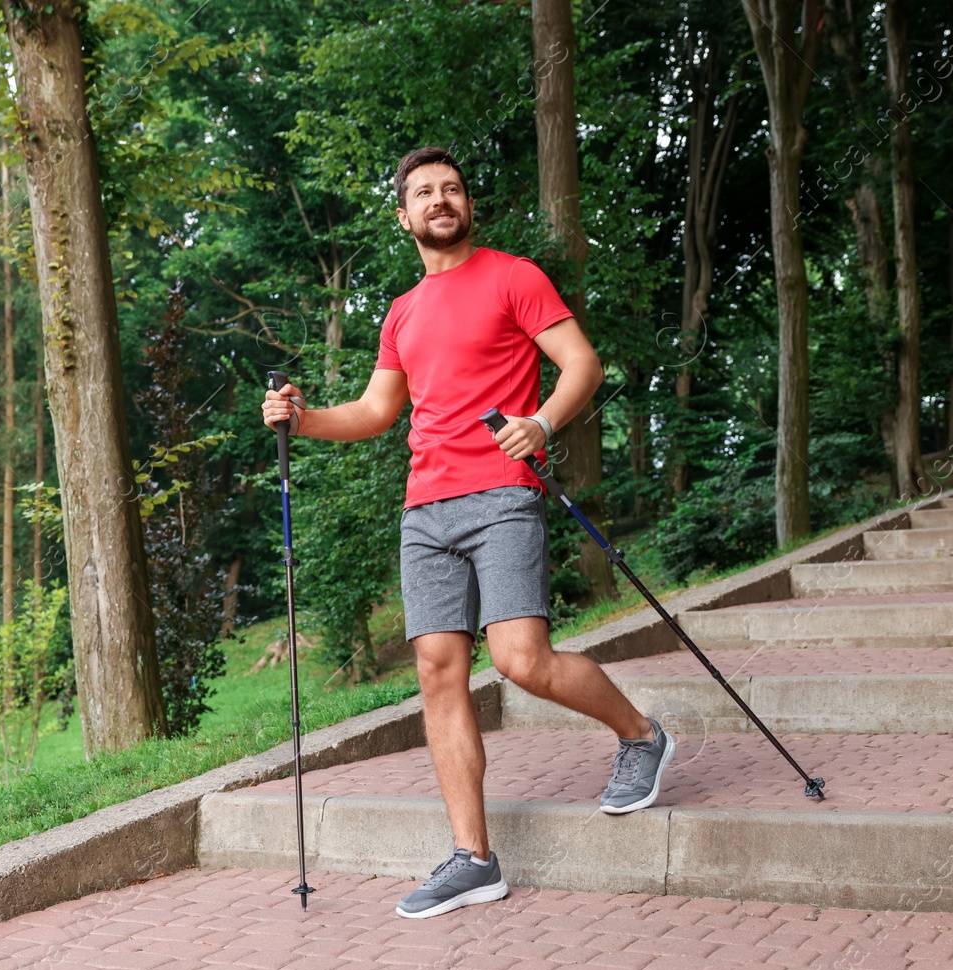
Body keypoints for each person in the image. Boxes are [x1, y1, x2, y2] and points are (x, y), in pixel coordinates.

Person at [262, 146, 674, 919]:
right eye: (423, 191)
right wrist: (303, 418)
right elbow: (378, 412)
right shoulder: (403, 312)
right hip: (427, 512)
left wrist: (541, 421)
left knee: (521, 659)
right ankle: (473, 857)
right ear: (404, 216)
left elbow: (581, 363)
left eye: (451, 188)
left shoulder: (514, 277)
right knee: (439, 674)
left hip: (503, 494)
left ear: (467, 205)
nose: (440, 199)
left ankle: (641, 735)